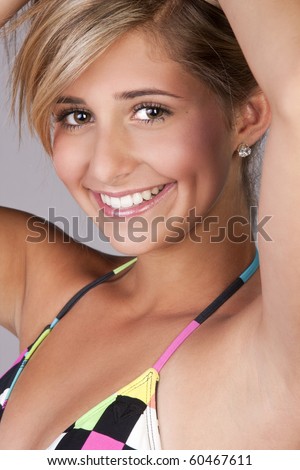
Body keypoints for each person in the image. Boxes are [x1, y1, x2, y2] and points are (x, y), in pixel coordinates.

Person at [0, 0, 299, 450]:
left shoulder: (271, 357)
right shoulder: (44, 286)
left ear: (248, 115)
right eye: (77, 116)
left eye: (149, 111)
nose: (105, 166)